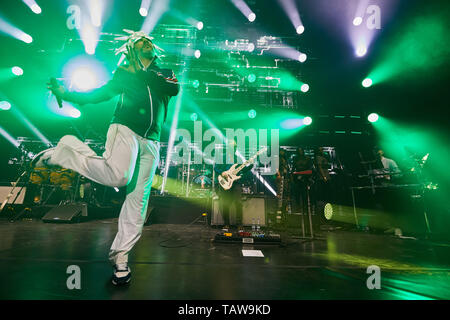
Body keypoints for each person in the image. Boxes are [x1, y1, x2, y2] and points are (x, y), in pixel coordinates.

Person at [34, 30, 179, 285]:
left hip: (152, 141)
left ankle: (121, 259)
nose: (146, 43)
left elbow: (173, 89)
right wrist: (66, 94)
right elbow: (97, 95)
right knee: (119, 177)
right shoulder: (124, 73)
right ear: (131, 49)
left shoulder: (163, 71)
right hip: (125, 128)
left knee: (138, 202)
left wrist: (139, 67)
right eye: (139, 42)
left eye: (148, 42)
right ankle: (65, 152)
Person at [214, 140, 253, 230]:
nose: (233, 148)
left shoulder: (238, 159)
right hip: (225, 182)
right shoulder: (222, 157)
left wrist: (250, 165)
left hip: (236, 183)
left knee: (238, 203)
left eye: (235, 147)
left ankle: (239, 224)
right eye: (231, 147)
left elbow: (242, 171)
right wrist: (222, 172)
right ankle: (226, 223)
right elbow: (215, 168)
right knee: (225, 203)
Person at [291, 147, 312, 214]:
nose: (300, 151)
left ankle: (305, 207)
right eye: (299, 150)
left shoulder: (307, 158)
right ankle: (298, 207)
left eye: (301, 150)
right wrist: (292, 176)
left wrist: (309, 177)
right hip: (297, 176)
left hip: (305, 176)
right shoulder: (295, 158)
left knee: (304, 193)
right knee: (297, 192)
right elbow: (293, 168)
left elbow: (309, 168)